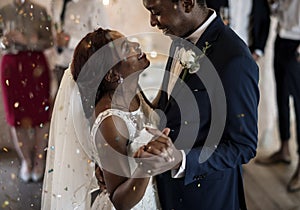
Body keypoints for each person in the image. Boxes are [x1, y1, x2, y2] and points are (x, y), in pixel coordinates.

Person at [137, 0, 259, 209]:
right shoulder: (179, 38)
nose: (152, 22)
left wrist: (181, 160)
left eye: (156, 12)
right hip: (167, 190)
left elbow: (243, 146)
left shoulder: (234, 59)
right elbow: (169, 111)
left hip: (206, 197)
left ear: (186, 3)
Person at [42, 27, 172, 209]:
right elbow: (120, 201)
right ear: (112, 74)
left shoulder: (131, 92)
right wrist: (145, 168)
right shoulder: (110, 121)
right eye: (126, 48)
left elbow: (154, 113)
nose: (136, 44)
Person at [0, 0, 53, 182]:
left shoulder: (41, 10)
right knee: (15, 116)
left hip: (36, 66)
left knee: (41, 114)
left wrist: (28, 42)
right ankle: (26, 161)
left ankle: (39, 159)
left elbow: (50, 41)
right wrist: (4, 43)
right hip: (11, 66)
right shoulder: (3, 11)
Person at [255, 0, 300, 192]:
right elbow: (277, 10)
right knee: (281, 97)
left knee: (299, 105)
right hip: (281, 40)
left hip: (297, 46)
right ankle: (284, 149)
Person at [51, 0, 109, 89]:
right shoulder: (56, 3)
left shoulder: (93, 3)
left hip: (82, 68)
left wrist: (70, 42)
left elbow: (104, 38)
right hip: (59, 65)